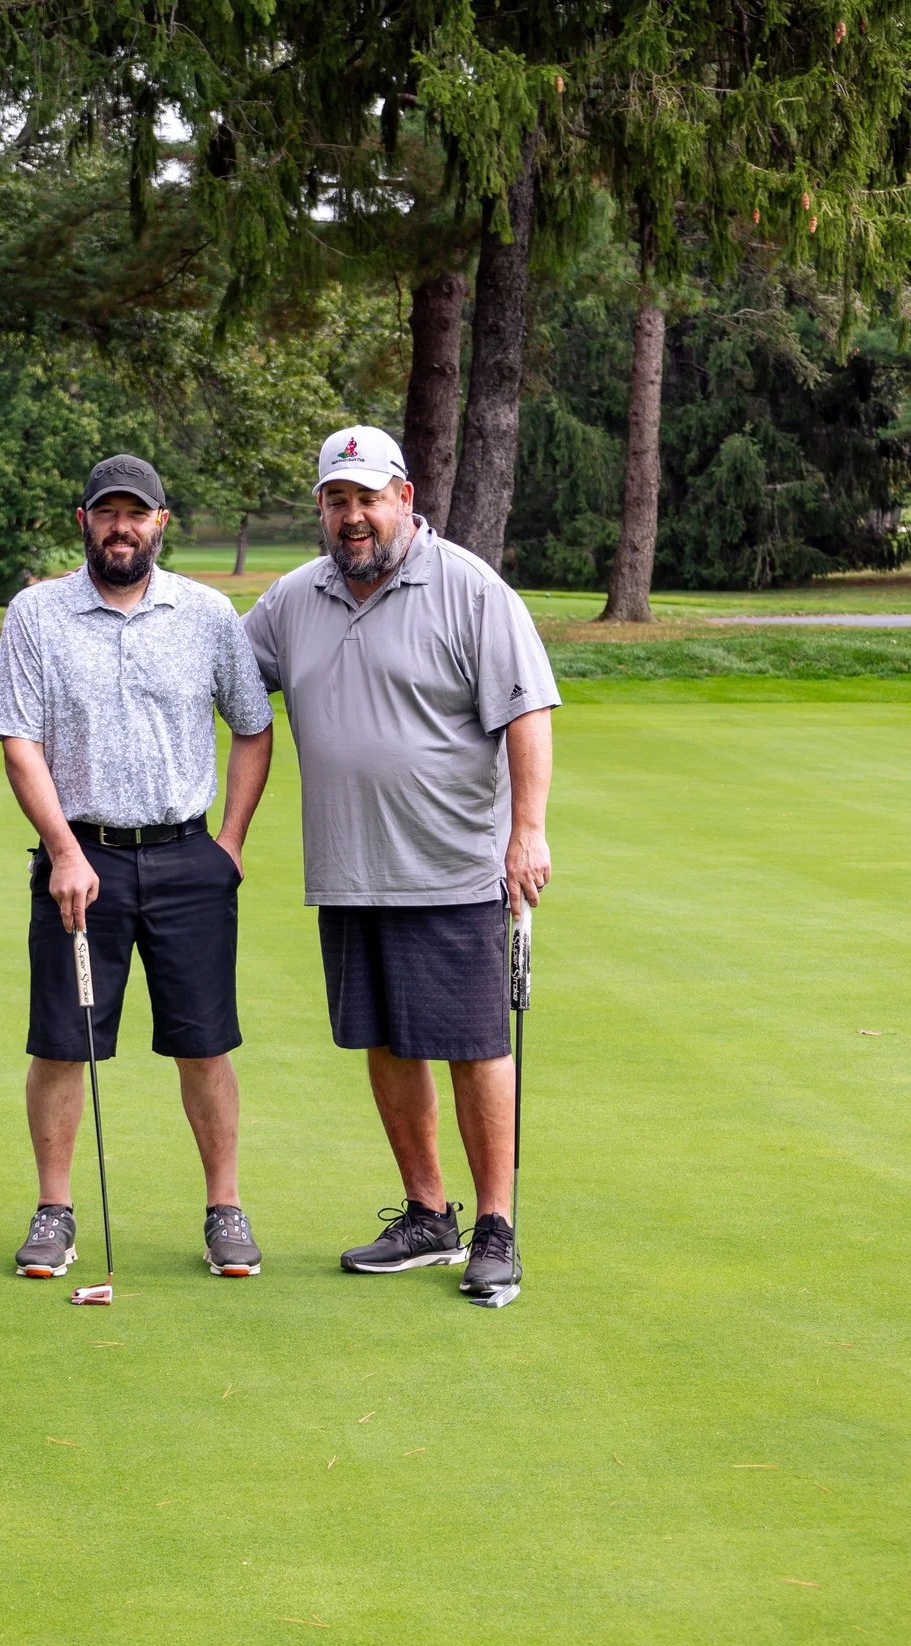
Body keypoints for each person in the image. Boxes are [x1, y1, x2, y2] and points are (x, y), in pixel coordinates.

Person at [243, 425, 558, 1299]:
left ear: (405, 499)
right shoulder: (294, 599)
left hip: (451, 864)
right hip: (347, 869)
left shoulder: (468, 589)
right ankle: (428, 1214)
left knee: (472, 1042)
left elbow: (527, 713)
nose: (353, 517)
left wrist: (526, 831)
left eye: (368, 498)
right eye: (337, 500)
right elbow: (221, 670)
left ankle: (495, 1224)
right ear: (320, 508)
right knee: (383, 1040)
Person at [0, 455, 278, 1278]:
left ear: (160, 523)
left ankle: (225, 1208)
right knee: (62, 1043)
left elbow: (253, 726)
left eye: (135, 514)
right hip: (80, 860)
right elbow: (19, 742)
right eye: (106, 512)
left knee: (205, 1042)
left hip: (188, 857)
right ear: (83, 519)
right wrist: (66, 853)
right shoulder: (38, 615)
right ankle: (54, 1210)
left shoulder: (209, 613)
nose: (121, 527)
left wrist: (232, 842)